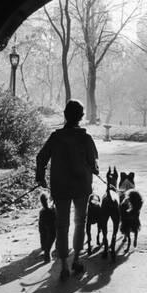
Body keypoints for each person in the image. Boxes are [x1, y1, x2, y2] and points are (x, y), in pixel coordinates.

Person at [36, 99, 99, 281]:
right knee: (80, 222)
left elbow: (41, 158)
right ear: (80, 117)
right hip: (81, 186)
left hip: (60, 186)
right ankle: (76, 260)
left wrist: (41, 177)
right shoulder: (86, 139)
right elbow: (94, 163)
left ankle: (64, 266)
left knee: (62, 226)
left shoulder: (56, 137)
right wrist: (94, 169)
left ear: (65, 116)